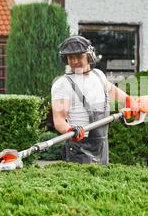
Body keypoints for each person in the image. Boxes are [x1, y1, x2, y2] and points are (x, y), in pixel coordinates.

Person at [51, 35, 139, 165]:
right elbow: (58, 120)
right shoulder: (63, 84)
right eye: (70, 57)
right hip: (79, 147)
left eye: (79, 56)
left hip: (102, 144)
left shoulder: (98, 75)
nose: (74, 61)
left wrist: (128, 99)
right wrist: (69, 130)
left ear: (89, 55)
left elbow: (112, 91)